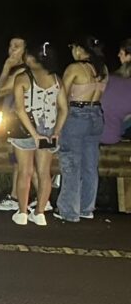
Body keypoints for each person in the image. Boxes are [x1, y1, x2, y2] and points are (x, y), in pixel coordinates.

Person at [8, 42, 68, 226]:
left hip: (27, 131)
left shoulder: (23, 78)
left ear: (30, 58)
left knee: (25, 172)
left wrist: (34, 135)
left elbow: (19, 109)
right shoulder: (56, 79)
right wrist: (56, 131)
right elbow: (64, 109)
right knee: (44, 173)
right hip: (49, 130)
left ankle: (22, 212)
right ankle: (40, 212)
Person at [0, 37, 51, 213]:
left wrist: (6, 67)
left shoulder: (22, 72)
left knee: (27, 165)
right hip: (36, 122)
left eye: (16, 46)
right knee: (22, 164)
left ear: (26, 50)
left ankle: (40, 201)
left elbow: (0, 91)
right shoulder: (33, 71)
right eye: (10, 45)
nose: (11, 50)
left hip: (24, 124)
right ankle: (17, 197)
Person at [54, 36, 108, 223]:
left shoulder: (74, 68)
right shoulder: (102, 69)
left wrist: (57, 125)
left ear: (79, 49)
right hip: (96, 115)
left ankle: (69, 210)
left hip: (77, 115)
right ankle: (86, 207)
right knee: (90, 165)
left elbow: (62, 97)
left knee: (71, 163)